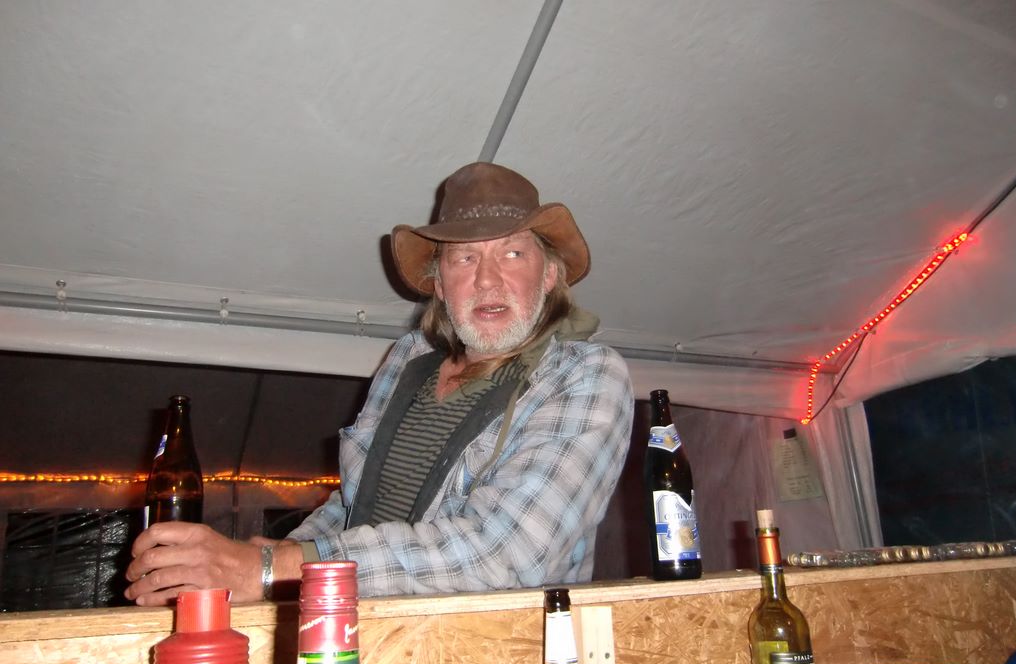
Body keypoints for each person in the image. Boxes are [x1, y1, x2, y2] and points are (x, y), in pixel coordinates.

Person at [125, 162, 634, 604]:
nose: (486, 279)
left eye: (513, 254)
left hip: (493, 658)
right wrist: (266, 555)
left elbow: (504, 555)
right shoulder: (408, 359)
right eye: (464, 258)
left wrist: (276, 569)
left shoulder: (583, 375)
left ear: (549, 275)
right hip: (363, 630)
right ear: (439, 284)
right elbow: (354, 506)